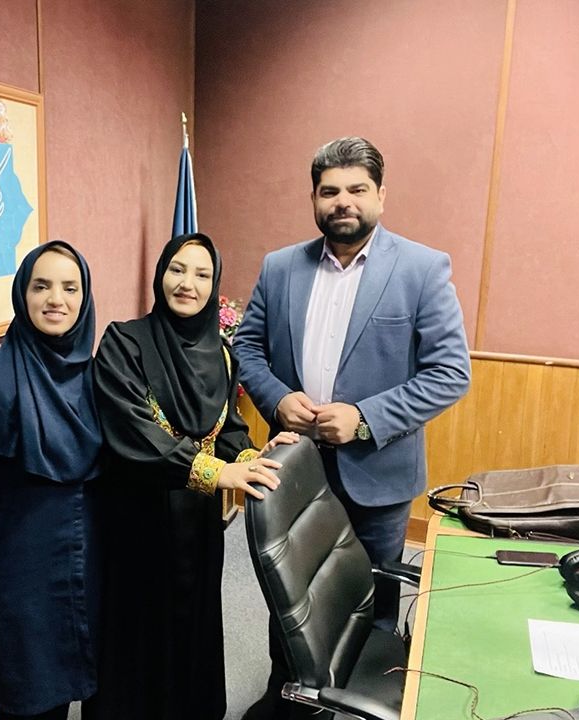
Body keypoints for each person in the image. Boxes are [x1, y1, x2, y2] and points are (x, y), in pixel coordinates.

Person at [232, 137, 471, 718]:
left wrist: (365, 419)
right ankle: (287, 700)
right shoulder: (280, 267)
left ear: (381, 194)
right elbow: (247, 347)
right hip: (294, 469)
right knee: (291, 604)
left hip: (377, 478)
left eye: (357, 189)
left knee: (371, 607)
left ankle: (355, 708)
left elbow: (450, 373)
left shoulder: (421, 268)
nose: (343, 201)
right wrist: (277, 399)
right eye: (330, 190)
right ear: (314, 199)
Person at [91, 232, 297, 720]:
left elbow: (228, 428)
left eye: (202, 274)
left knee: (192, 617)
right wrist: (216, 472)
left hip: (197, 524)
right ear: (160, 275)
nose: (188, 284)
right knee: (139, 626)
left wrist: (252, 456)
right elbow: (134, 431)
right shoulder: (124, 342)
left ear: (214, 284)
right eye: (177, 270)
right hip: (137, 516)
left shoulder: (221, 353)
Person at [0, 240, 102, 720]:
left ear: (85, 297)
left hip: (86, 559)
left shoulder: (95, 374)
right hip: (21, 569)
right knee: (26, 696)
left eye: (70, 288)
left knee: (72, 684)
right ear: (23, 294)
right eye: (41, 286)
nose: (56, 299)